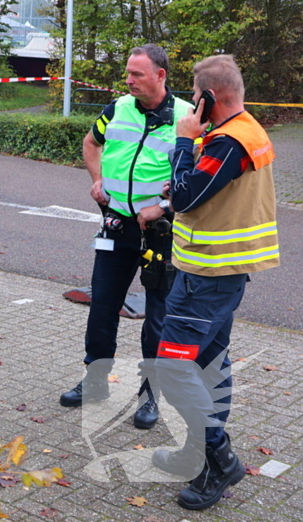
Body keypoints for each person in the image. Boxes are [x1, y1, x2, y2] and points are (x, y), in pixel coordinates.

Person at [151, 54, 279, 510]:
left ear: (207, 98)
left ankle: (221, 460)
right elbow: (203, 192)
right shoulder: (244, 129)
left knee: (172, 368)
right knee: (209, 364)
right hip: (220, 272)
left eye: (194, 95)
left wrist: (184, 143)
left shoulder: (227, 143)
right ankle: (198, 454)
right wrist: (186, 170)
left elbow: (186, 196)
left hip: (207, 275)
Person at [59, 44, 191, 429]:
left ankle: (150, 395)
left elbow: (199, 179)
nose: (128, 80)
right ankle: (96, 381)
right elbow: (90, 143)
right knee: (103, 305)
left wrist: (165, 209)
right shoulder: (117, 109)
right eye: (128, 73)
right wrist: (97, 179)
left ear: (161, 75)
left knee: (158, 316)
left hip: (162, 232)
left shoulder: (187, 118)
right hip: (117, 224)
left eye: (137, 74)